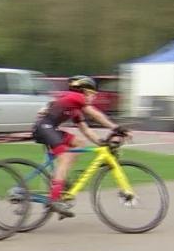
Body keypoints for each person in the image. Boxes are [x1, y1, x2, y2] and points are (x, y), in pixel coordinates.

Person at [32, 75, 127, 219]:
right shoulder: (75, 96)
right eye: (91, 94)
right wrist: (116, 127)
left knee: (79, 143)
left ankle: (60, 180)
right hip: (44, 128)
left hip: (49, 128)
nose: (92, 98)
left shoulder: (74, 107)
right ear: (83, 91)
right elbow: (95, 114)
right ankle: (54, 199)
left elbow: (85, 129)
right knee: (65, 157)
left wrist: (101, 143)